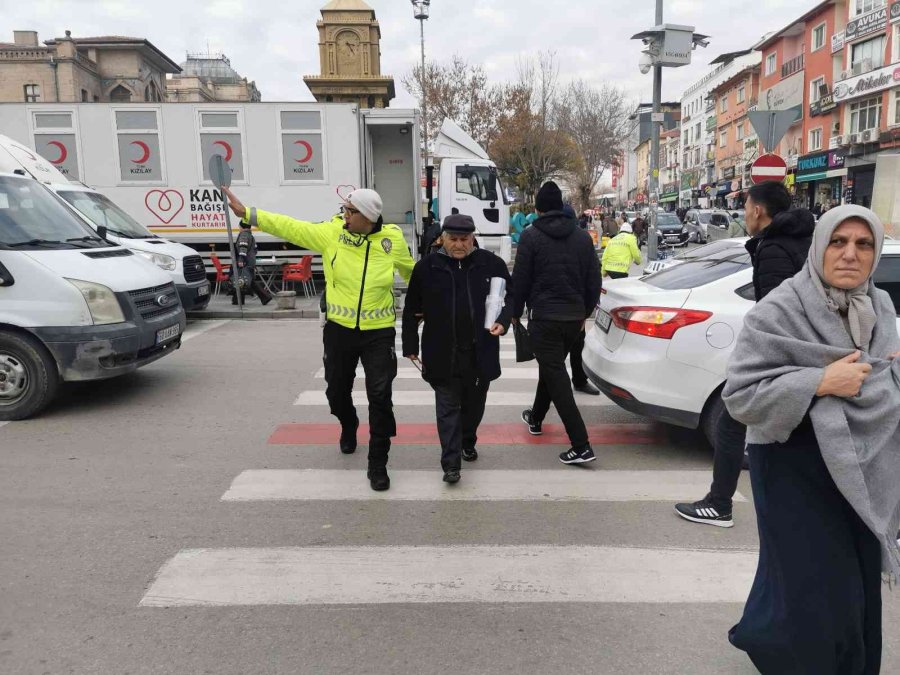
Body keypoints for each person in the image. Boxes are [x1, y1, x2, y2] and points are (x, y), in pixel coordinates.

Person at [723, 205, 900, 673]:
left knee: (857, 585)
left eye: (863, 245)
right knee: (812, 590)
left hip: (862, 469)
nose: (849, 255)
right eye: (838, 242)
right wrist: (818, 381)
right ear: (820, 245)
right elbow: (740, 397)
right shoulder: (779, 310)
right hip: (793, 466)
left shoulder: (879, 306)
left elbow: (877, 377)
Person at [222, 186, 415, 492]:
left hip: (379, 332)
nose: (344, 215)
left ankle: (378, 463)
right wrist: (249, 214)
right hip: (339, 331)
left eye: (350, 211)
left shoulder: (391, 242)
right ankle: (348, 423)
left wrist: (427, 307)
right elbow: (291, 226)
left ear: (367, 217)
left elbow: (413, 275)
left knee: (380, 396)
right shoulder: (332, 234)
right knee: (336, 393)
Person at [675, 181, 815, 527]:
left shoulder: (773, 248)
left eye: (748, 206)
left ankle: (720, 503)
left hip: (779, 356)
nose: (746, 213)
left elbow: (775, 310)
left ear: (757, 210)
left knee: (730, 424)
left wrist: (759, 361)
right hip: (806, 353)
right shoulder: (805, 241)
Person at [402, 214, 511, 483]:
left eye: (464, 239)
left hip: (480, 350)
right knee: (447, 407)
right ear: (442, 239)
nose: (459, 245)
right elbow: (411, 310)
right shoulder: (427, 267)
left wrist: (503, 321)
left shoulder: (491, 264)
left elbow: (512, 298)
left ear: (473, 237)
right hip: (442, 351)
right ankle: (451, 463)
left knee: (474, 406)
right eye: (453, 240)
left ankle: (467, 439)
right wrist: (409, 343)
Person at [512, 181, 602, 465]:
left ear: (537, 209)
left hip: (545, 319)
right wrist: (583, 314)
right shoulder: (582, 238)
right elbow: (594, 282)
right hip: (572, 320)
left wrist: (513, 313)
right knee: (551, 371)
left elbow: (521, 280)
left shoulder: (530, 237)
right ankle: (536, 418)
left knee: (556, 377)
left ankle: (581, 444)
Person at [231, 219, 272, 306]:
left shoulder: (244, 235)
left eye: (239, 226)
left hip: (245, 261)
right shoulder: (250, 235)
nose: (239, 228)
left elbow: (243, 247)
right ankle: (238, 300)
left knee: (245, 279)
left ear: (242, 227)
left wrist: (241, 259)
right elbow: (255, 249)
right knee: (243, 279)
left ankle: (265, 297)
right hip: (250, 261)